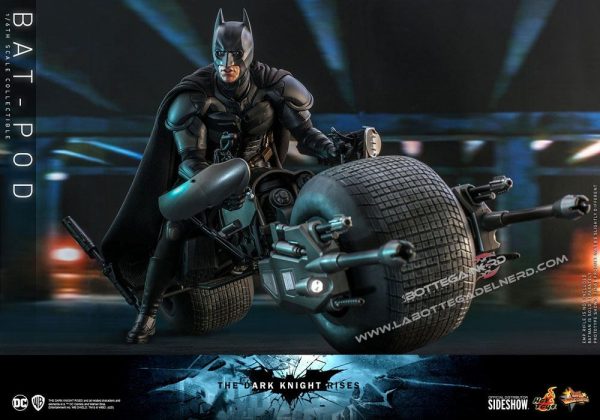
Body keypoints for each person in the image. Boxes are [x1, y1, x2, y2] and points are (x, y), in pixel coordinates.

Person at [100, 9, 338, 343]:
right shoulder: (193, 96)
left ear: (248, 54)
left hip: (261, 172)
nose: (227, 63)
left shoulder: (275, 84)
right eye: (220, 55)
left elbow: (306, 133)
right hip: (209, 177)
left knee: (302, 199)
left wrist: (328, 147)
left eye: (235, 55)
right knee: (175, 228)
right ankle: (148, 313)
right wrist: (219, 188)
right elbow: (189, 160)